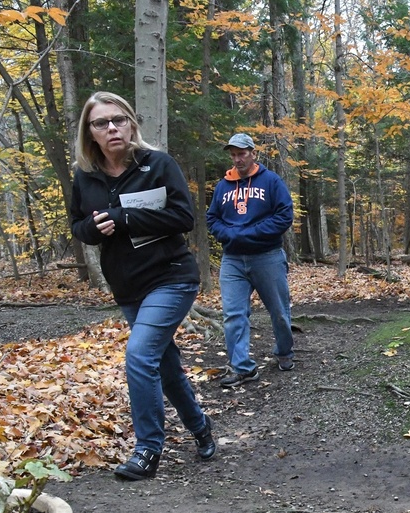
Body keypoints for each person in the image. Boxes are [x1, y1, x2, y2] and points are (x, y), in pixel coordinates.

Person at [69, 91, 217, 481]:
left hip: (171, 277)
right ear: (91, 132)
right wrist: (93, 228)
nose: (111, 128)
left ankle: (148, 449)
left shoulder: (157, 164)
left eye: (118, 119)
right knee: (165, 366)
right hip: (128, 285)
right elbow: (77, 226)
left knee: (138, 356)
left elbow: (183, 217)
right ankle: (201, 428)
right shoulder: (86, 176)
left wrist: (126, 218)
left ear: (132, 123)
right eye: (101, 123)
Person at [206, 133, 295, 386]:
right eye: (233, 155)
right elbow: (212, 218)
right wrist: (228, 234)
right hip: (232, 259)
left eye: (242, 154)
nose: (237, 159)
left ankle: (285, 351)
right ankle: (243, 367)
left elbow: (284, 216)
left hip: (267, 256)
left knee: (278, 311)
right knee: (233, 314)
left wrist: (250, 232)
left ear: (252, 153)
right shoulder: (223, 186)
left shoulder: (271, 181)